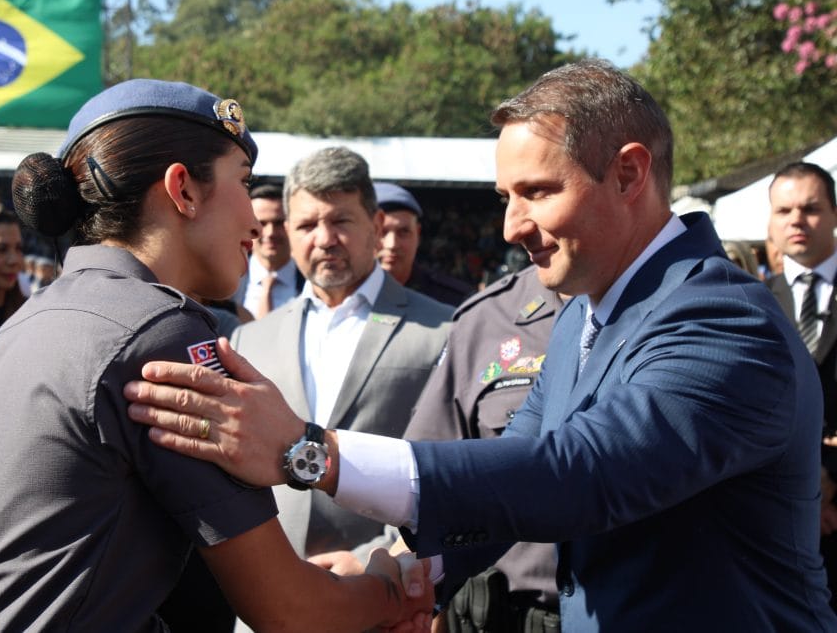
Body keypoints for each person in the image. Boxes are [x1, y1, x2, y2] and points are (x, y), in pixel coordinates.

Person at [124, 59, 837, 630]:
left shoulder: (722, 322)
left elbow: (575, 476)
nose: (511, 226)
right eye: (505, 197)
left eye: (536, 191)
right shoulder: (583, 319)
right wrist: (400, 570)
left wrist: (313, 452)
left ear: (628, 173)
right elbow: (509, 480)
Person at [0, 80, 432, 633]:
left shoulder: (6, 341)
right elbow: (291, 610)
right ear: (184, 190)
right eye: (242, 183)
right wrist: (395, 591)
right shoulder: (163, 335)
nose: (253, 220)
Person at [229, 147, 452, 573]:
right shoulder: (249, 340)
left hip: (384, 590)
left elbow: (451, 471)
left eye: (340, 221)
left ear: (377, 225)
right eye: (308, 224)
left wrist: (378, 560)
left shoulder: (444, 331)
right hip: (264, 594)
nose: (325, 238)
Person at [403, 264, 564, 633]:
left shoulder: (685, 310)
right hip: (496, 616)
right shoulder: (488, 318)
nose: (513, 228)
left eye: (538, 199)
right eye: (507, 202)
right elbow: (429, 490)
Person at [765, 160, 837, 611]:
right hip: (776, 524)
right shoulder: (744, 302)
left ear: (833, 214)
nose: (796, 220)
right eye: (784, 210)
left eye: (810, 208)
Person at [374, 181, 474, 306]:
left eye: (403, 232)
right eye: (381, 232)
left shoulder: (454, 301)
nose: (392, 244)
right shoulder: (345, 297)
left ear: (418, 234)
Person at [233, 181, 303, 319]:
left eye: (278, 223)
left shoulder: (312, 283)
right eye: (261, 223)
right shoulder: (226, 282)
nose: (270, 233)